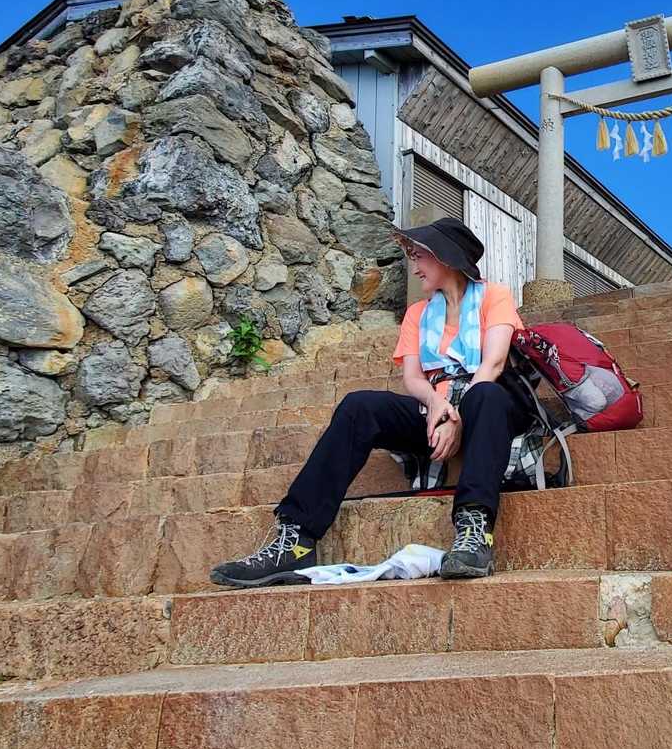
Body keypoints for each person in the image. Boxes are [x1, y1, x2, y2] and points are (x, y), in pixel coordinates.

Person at [212, 217, 533, 587]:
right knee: (359, 406)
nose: (414, 266)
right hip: (437, 408)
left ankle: (475, 532)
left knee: (485, 394)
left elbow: (493, 364)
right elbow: (413, 378)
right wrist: (436, 405)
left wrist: (456, 418)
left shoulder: (494, 296)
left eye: (419, 256)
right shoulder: (418, 314)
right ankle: (296, 539)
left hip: (487, 407)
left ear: (445, 256)